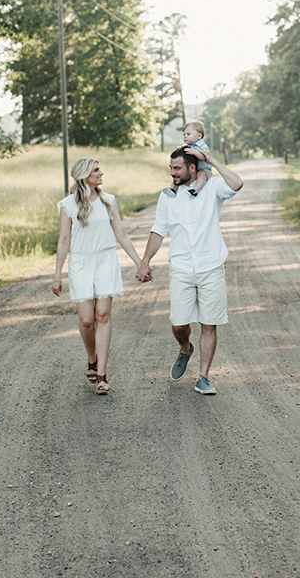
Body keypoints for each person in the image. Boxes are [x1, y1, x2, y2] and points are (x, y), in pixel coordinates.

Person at [136, 145, 243, 395]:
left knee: (209, 323)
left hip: (211, 265)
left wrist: (213, 160)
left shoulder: (213, 188)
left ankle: (203, 377)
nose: (172, 173)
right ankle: (185, 349)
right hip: (182, 266)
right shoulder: (168, 196)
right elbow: (158, 230)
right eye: (171, 168)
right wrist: (145, 261)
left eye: (177, 168)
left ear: (192, 168)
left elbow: (237, 184)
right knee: (179, 324)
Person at [52, 157, 142, 394]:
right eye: (96, 170)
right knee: (86, 320)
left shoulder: (108, 200)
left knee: (102, 315)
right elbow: (64, 240)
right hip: (80, 263)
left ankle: (102, 374)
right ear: (84, 175)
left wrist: (139, 262)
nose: (101, 173)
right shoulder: (67, 205)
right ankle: (91, 357)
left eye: (100, 169)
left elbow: (120, 234)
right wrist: (57, 274)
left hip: (105, 260)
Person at [163, 120, 212, 198]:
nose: (185, 136)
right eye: (184, 134)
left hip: (204, 169)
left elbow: (205, 157)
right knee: (178, 174)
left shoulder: (203, 146)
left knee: (201, 175)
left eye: (188, 134)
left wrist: (195, 152)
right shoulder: (186, 145)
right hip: (193, 169)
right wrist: (180, 149)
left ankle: (195, 190)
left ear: (199, 136)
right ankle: (173, 189)